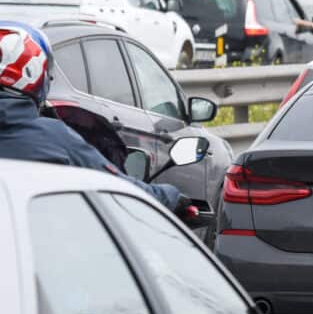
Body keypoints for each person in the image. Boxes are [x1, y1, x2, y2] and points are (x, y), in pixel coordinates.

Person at [0, 21, 187, 208]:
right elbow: (118, 187)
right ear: (31, 70)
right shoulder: (54, 138)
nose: (50, 77)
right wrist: (170, 196)